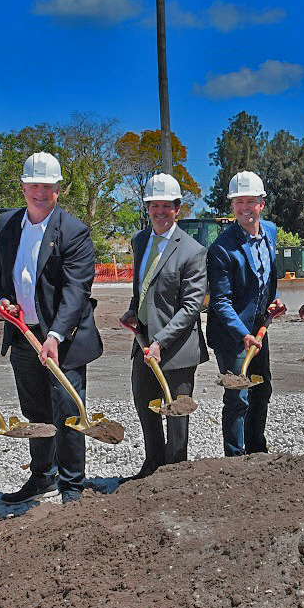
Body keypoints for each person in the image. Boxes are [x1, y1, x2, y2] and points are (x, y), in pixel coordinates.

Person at [0, 151, 102, 505]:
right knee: (35, 410)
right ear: (23, 187)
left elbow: (76, 290)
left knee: (67, 410)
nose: (40, 192)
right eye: (33, 185)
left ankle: (72, 484)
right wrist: (3, 300)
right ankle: (42, 476)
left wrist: (54, 335)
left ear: (58, 189)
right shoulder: (7, 225)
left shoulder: (74, 231)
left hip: (63, 339)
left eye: (47, 186)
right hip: (23, 334)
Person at [122, 173, 208, 477]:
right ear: (147, 207)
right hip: (144, 344)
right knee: (145, 406)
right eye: (154, 205)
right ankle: (152, 467)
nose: (160, 211)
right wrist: (133, 310)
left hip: (177, 349)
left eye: (166, 206)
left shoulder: (192, 251)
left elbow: (191, 307)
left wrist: (161, 341)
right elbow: (142, 287)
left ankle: (175, 473)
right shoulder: (140, 240)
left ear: (177, 208)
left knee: (176, 415)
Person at [207, 171, 284, 456]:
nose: (245, 208)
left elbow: (266, 276)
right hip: (232, 334)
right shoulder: (221, 249)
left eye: (250, 201)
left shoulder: (270, 232)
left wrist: (273, 300)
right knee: (238, 395)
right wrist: (243, 334)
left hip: (258, 329)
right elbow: (221, 302)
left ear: (261, 203)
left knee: (262, 389)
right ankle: (234, 457)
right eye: (239, 202)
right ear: (232, 205)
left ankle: (256, 451)